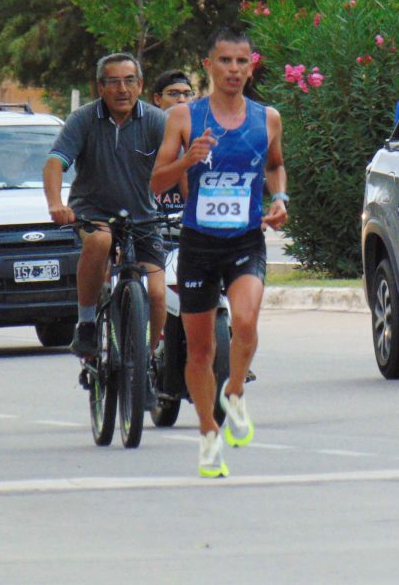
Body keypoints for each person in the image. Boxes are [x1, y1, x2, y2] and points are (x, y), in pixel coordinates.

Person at [151, 28, 288, 477]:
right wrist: (187, 160)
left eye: (241, 62)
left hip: (246, 239)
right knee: (200, 350)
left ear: (252, 66)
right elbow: (155, 182)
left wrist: (280, 199)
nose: (234, 70)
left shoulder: (267, 117)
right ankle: (209, 434)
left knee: (246, 322)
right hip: (199, 244)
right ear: (209, 65)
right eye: (225, 61)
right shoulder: (184, 118)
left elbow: (274, 165)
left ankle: (235, 393)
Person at [43, 52, 168, 359]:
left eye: (129, 81)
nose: (122, 89)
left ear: (140, 85)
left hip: (143, 217)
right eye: (113, 82)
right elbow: (55, 162)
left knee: (157, 293)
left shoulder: (155, 120)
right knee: (99, 241)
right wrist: (56, 203)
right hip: (93, 212)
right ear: (100, 87)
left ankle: (146, 363)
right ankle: (86, 322)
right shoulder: (83, 119)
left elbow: (181, 165)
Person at [151, 70, 196, 213]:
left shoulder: (203, 133)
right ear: (157, 99)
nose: (182, 99)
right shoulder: (145, 132)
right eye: (173, 93)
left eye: (187, 94)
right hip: (149, 219)